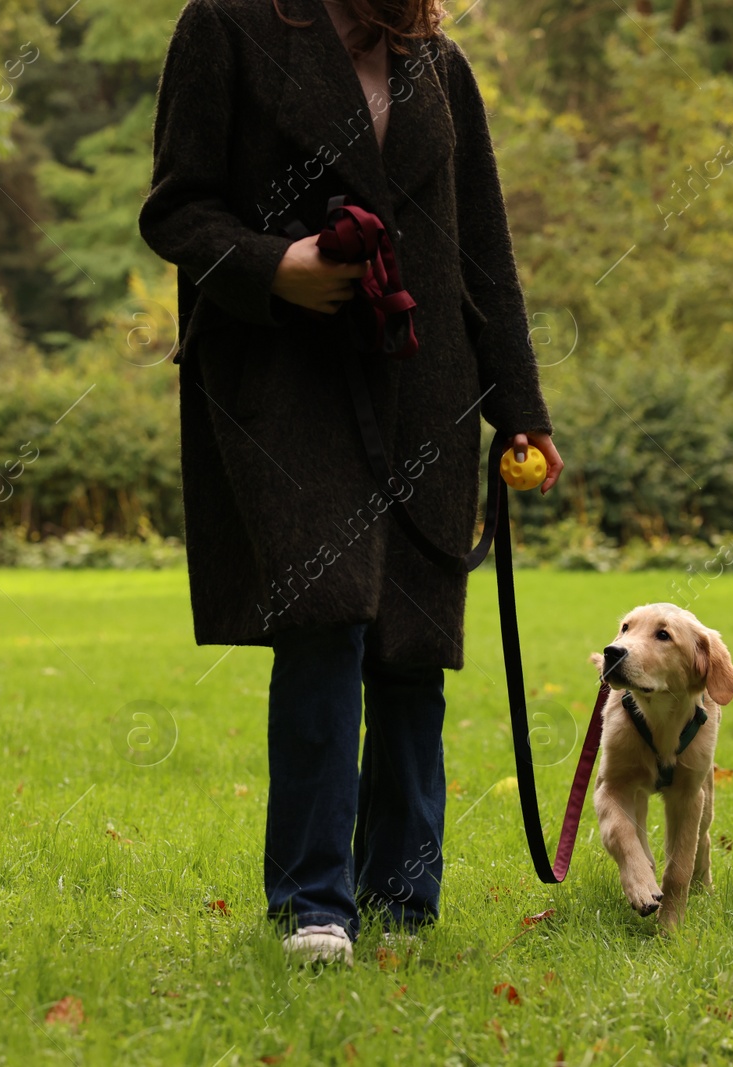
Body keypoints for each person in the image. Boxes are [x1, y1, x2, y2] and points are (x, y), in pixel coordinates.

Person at [139, 0, 562, 964]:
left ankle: (405, 900)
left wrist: (520, 401)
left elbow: (483, 246)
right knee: (326, 618)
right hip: (288, 375)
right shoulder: (226, 26)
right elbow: (175, 207)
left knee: (413, 642)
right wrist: (272, 266)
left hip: (430, 379)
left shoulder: (437, 60)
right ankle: (315, 904)